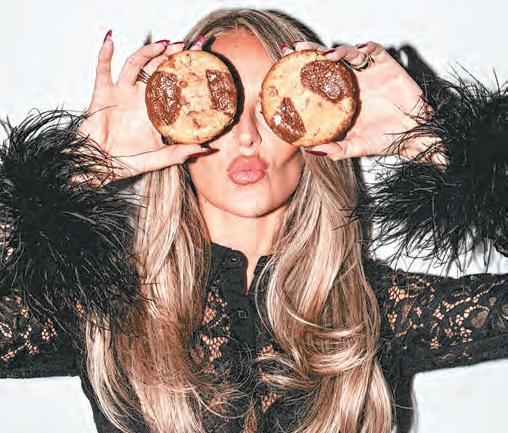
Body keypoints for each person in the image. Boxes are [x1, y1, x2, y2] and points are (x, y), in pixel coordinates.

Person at [0, 7, 506, 433]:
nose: (246, 135)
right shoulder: (108, 306)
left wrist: (436, 143)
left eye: (272, 106)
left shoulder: (373, 312)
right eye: (222, 106)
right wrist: (74, 172)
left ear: (316, 127)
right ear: (173, 128)